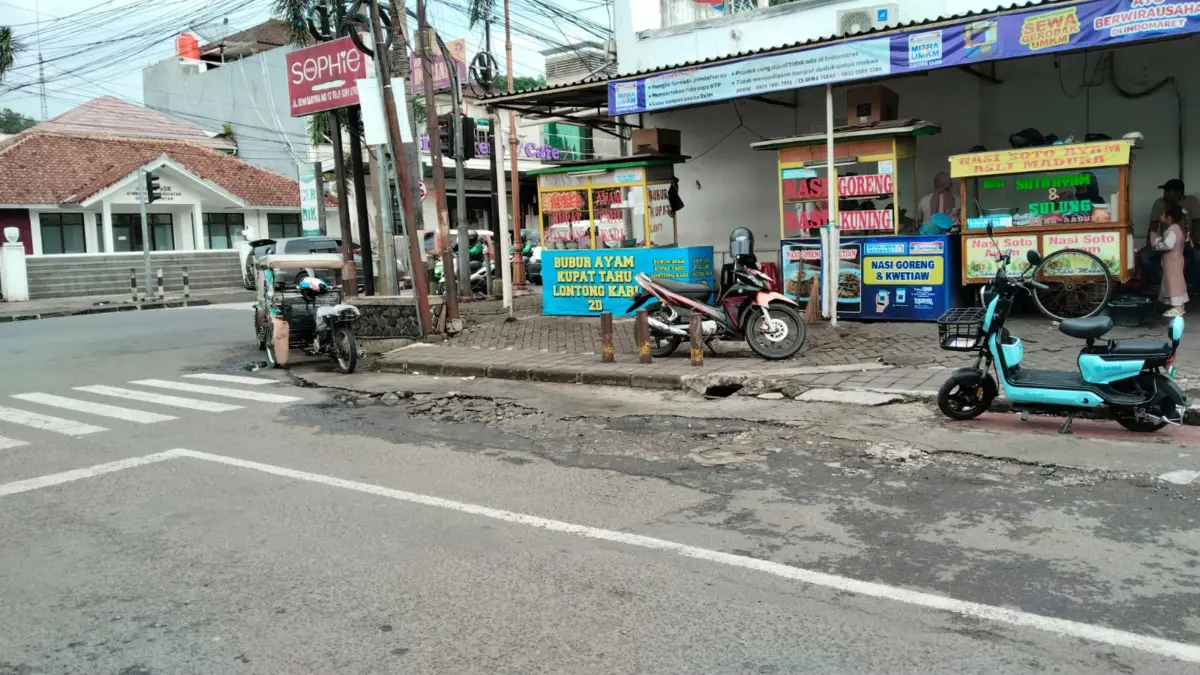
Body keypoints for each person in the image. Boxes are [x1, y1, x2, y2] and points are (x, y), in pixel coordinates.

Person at [1140, 179, 1200, 288]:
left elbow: (1197, 223)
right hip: (1166, 244)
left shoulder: (1192, 201)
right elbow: (1152, 226)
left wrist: (1196, 241)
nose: (1165, 193)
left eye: (1168, 190)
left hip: (1187, 243)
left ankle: (1191, 285)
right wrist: (1149, 244)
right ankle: (1158, 284)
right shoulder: (1159, 203)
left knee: (1198, 257)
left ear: (1178, 192)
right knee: (1144, 256)